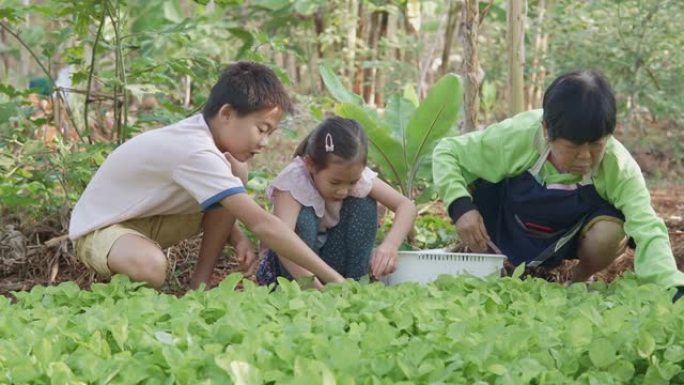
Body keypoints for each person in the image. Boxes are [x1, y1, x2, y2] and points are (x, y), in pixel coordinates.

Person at [68, 62, 345, 289]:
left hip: (144, 220)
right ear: (226, 113)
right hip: (100, 229)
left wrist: (237, 238)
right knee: (151, 267)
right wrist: (333, 280)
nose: (264, 143)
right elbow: (263, 224)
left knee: (236, 176)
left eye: (270, 134)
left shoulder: (210, 147)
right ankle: (127, 287)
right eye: (261, 129)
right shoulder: (196, 151)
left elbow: (223, 204)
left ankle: (198, 287)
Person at [432, 70, 684, 300]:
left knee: (611, 229)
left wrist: (671, 286)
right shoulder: (518, 135)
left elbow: (647, 226)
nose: (585, 157)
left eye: (596, 145)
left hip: (567, 238)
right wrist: (460, 206)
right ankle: (490, 268)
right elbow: (447, 152)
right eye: (573, 148)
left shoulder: (618, 165)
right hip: (507, 223)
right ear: (546, 131)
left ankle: (578, 282)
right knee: (476, 183)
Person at [256, 116, 417, 288]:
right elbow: (282, 244)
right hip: (286, 271)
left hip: (329, 266)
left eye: (352, 182)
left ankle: (355, 283)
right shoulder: (294, 180)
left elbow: (406, 206)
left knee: (364, 205)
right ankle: (303, 288)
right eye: (335, 183)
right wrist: (316, 290)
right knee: (304, 219)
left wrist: (390, 244)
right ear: (310, 165)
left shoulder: (353, 176)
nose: (343, 190)